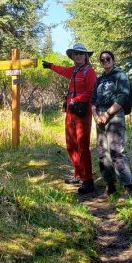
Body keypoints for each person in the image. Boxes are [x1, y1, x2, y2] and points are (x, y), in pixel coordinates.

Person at [42, 43, 98, 195]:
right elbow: (61, 70)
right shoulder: (73, 71)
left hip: (82, 113)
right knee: (70, 145)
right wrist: (50, 65)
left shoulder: (89, 72)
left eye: (81, 54)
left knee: (83, 146)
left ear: (86, 56)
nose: (78, 56)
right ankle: (78, 174)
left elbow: (92, 91)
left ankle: (88, 180)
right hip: (70, 112)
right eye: (75, 54)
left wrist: (76, 99)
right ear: (73, 56)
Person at [92, 50, 132, 197]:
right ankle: (110, 186)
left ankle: (127, 187)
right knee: (102, 153)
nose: (105, 61)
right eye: (102, 60)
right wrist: (96, 116)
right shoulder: (99, 80)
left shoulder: (120, 76)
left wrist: (107, 114)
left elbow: (123, 97)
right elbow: (93, 101)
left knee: (116, 151)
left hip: (115, 115)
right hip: (100, 118)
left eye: (108, 58)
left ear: (113, 60)